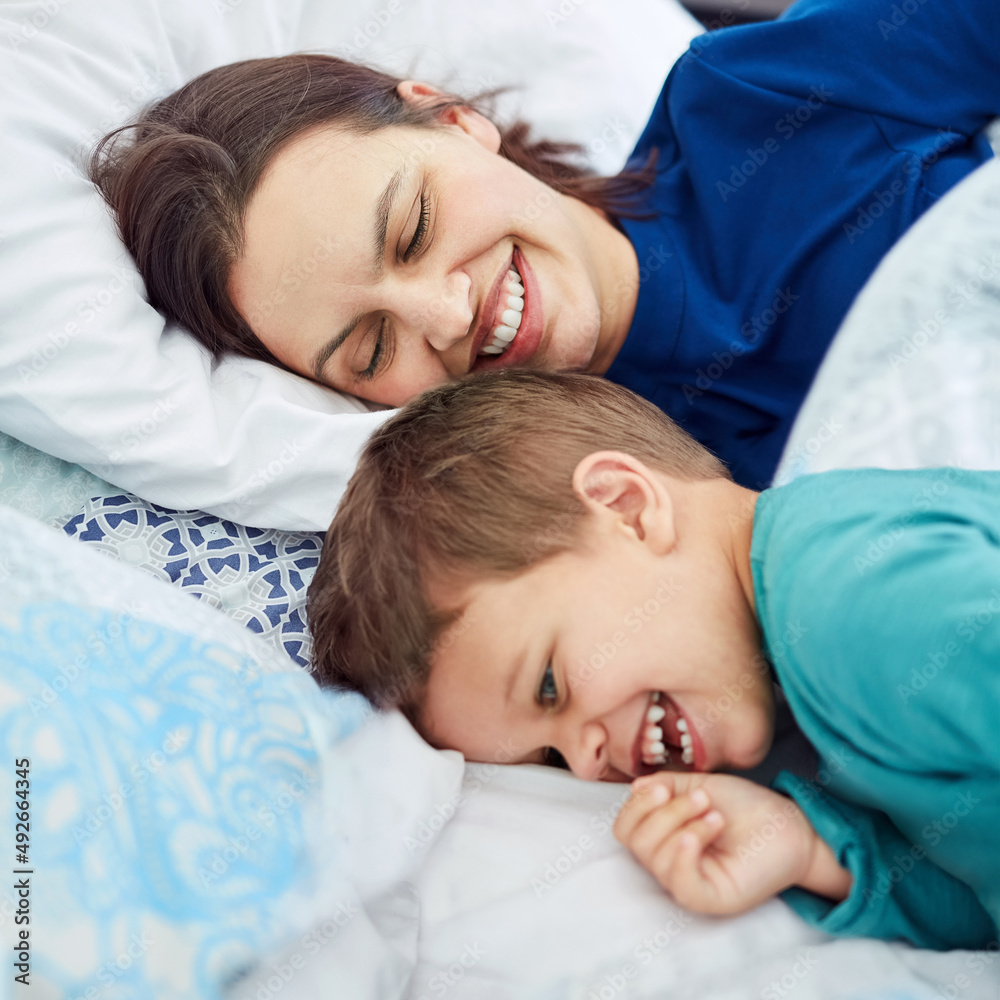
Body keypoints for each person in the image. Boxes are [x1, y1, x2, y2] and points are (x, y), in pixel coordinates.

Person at [88, 0, 1000, 490]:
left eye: (413, 229)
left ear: (452, 119)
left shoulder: (751, 104)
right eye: (370, 349)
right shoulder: (604, 503)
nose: (447, 316)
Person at [306, 369, 998, 951]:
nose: (585, 763)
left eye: (549, 686)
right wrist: (816, 854)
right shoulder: (796, 671)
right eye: (550, 762)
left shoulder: (846, 604)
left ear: (628, 507)